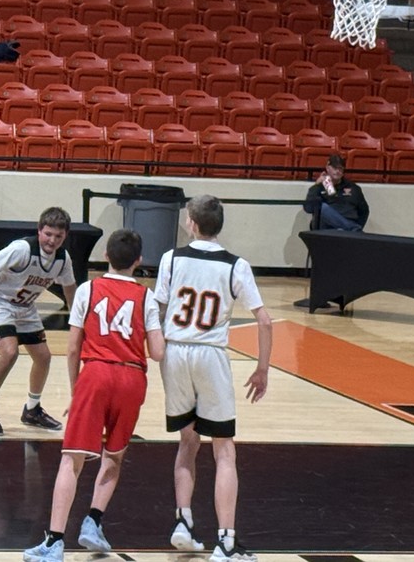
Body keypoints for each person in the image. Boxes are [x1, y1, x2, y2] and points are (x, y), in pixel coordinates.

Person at [23, 229, 165, 562]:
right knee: (113, 455)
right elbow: (157, 352)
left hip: (96, 373)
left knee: (71, 459)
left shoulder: (88, 289)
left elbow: (73, 349)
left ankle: (55, 541)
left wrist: (77, 389)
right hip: (132, 376)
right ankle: (93, 522)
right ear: (139, 262)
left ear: (106, 256)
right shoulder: (147, 297)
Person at [156, 195, 271, 562]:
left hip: (174, 352)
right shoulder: (236, 265)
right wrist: (262, 368)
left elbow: (157, 310)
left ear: (191, 222)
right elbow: (265, 320)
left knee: (187, 441)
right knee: (224, 450)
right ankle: (226, 541)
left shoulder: (171, 258)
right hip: (210, 355)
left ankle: (183, 523)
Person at [0, 206, 77, 435]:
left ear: (65, 237)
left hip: (25, 307)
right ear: (39, 231)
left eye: (58, 236)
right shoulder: (22, 249)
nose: (52, 240)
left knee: (44, 357)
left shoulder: (62, 259)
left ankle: (32, 409)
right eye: (48, 234)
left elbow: (70, 286)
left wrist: (76, 317)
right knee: (10, 352)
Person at [302, 153, 369, 231]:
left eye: (340, 168)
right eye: (334, 168)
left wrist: (358, 224)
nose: (337, 171)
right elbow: (308, 208)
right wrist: (316, 186)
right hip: (328, 228)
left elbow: (364, 211)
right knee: (322, 207)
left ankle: (351, 228)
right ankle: (353, 228)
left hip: (347, 227)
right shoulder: (320, 187)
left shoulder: (353, 188)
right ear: (327, 168)